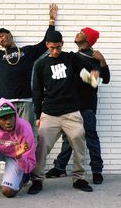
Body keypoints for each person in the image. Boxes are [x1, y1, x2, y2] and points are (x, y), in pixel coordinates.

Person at [27, 30, 101, 194]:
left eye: (58, 47)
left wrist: (97, 71)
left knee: (79, 141)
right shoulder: (40, 65)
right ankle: (37, 180)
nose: (55, 51)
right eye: (52, 48)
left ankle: (79, 178)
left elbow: (92, 70)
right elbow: (37, 92)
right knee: (42, 147)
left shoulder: (71, 58)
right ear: (47, 45)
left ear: (62, 44)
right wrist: (38, 116)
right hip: (50, 113)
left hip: (71, 113)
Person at [45, 27, 110, 185]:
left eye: (82, 32)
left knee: (90, 136)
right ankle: (60, 167)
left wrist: (102, 61)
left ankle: (96, 170)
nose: (78, 33)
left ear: (87, 39)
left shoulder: (94, 57)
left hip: (87, 104)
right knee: (68, 137)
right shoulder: (72, 57)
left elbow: (102, 80)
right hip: (70, 104)